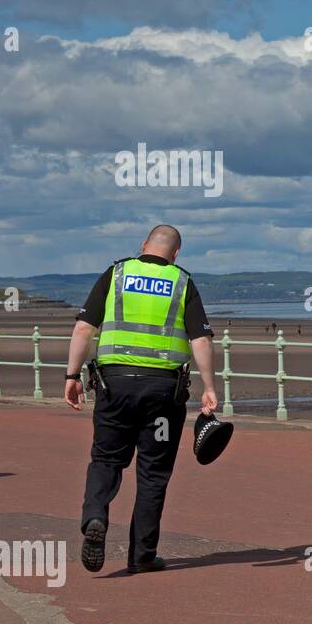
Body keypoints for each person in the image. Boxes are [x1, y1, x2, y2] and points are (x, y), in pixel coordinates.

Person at [64, 225, 219, 575]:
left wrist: (72, 376)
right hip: (163, 394)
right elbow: (201, 341)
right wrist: (210, 386)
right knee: (153, 474)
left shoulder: (116, 273)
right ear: (175, 254)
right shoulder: (182, 282)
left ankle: (94, 517)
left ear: (143, 246)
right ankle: (143, 555)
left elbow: (83, 329)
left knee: (105, 459)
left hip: (114, 387)